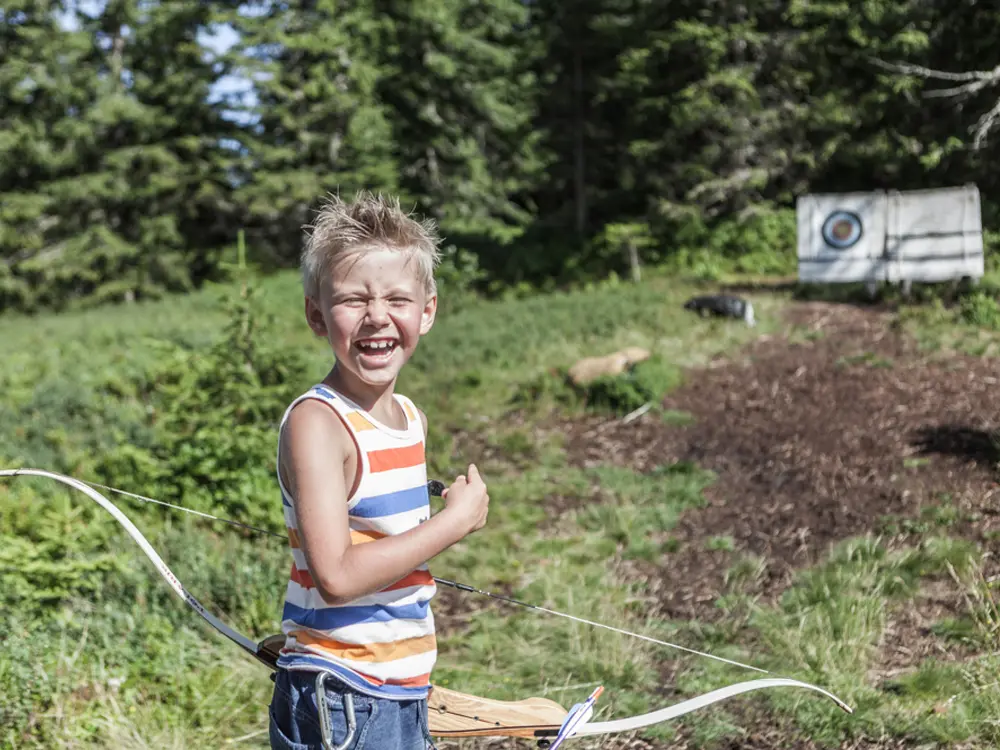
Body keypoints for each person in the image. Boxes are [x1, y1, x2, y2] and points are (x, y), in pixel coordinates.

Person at [267, 191, 490, 750]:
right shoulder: (317, 424)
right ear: (317, 315)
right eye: (352, 300)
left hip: (396, 690)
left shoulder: (408, 416)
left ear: (427, 311)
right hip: (344, 700)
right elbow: (337, 577)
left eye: (398, 298)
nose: (377, 317)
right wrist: (453, 523)